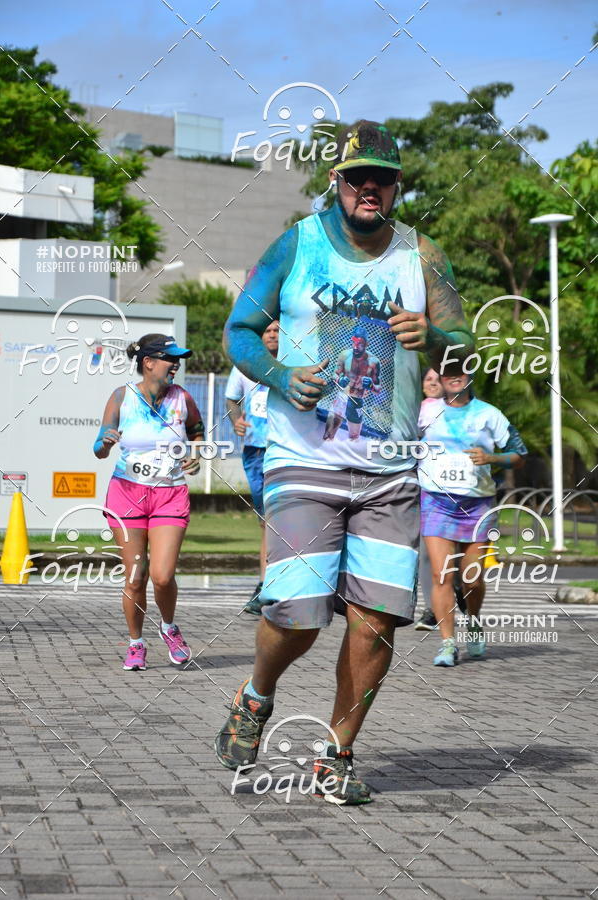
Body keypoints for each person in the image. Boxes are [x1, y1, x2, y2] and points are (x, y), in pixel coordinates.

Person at [214, 120, 474, 804]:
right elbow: (239, 327)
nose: (369, 188)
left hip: (390, 470)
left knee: (377, 623)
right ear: (337, 181)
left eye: (382, 179)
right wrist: (274, 372)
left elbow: (464, 344)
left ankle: (337, 755)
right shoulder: (295, 244)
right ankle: (255, 695)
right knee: (298, 612)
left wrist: (439, 334)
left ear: (396, 187)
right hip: (304, 459)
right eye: (358, 177)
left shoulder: (423, 255)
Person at [93, 334, 205, 671]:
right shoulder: (121, 397)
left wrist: (196, 455)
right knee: (136, 576)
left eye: (179, 359)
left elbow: (198, 434)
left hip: (169, 493)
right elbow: (98, 447)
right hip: (126, 493)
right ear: (149, 362)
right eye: (171, 358)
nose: (177, 365)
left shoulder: (182, 398)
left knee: (162, 575)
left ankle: (169, 628)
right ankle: (135, 644)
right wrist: (106, 442)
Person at [418, 368, 527, 666]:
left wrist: (492, 458)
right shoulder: (425, 410)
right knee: (441, 575)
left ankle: (474, 621)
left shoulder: (489, 414)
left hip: (477, 504)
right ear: (439, 379)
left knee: (472, 578)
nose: (454, 377)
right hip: (435, 500)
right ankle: (447, 644)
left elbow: (518, 454)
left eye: (460, 372)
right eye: (447, 372)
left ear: (470, 377)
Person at [225, 321, 280, 614]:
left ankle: (269, 584)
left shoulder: (293, 364)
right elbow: (232, 398)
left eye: (278, 330)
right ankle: (265, 585)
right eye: (268, 330)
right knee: (265, 521)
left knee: (276, 519)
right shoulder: (247, 364)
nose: (273, 334)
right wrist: (236, 420)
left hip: (285, 450)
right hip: (256, 451)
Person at [414, 368, 444, 631]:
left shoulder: (458, 410)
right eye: (429, 379)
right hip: (426, 488)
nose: (433, 383)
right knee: (425, 554)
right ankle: (431, 609)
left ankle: (462, 599)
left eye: (438, 380)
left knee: (453, 556)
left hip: (458, 492)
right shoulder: (414, 410)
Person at [323, 324, 382, 441]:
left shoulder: (374, 362)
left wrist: (371, 386)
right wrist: (339, 380)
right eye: (354, 343)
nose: (355, 347)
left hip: (357, 400)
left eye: (359, 344)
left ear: (366, 344)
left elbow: (378, 389)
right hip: (342, 397)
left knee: (354, 438)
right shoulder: (344, 355)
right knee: (328, 435)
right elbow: (334, 374)